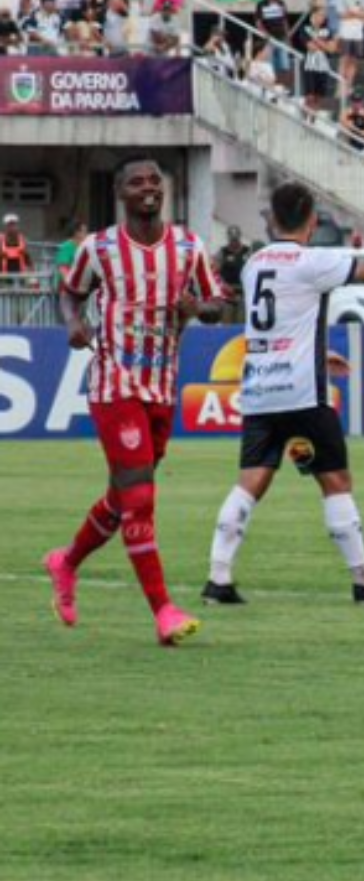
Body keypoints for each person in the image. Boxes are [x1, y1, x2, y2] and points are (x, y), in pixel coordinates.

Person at [201, 186, 364, 607]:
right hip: (303, 392)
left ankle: (218, 577)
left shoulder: (254, 264)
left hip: (260, 389)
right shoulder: (313, 261)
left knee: (250, 482)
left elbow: (276, 324)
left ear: (272, 220)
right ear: (311, 220)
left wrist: (319, 351)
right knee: (335, 480)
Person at [43, 161, 224, 645]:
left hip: (161, 384)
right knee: (140, 497)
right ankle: (163, 610)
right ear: (120, 193)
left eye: (154, 182)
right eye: (136, 182)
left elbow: (215, 304)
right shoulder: (99, 248)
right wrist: (72, 324)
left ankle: (66, 562)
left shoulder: (188, 247)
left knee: (123, 499)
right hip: (114, 381)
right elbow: (69, 293)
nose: (148, 188)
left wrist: (197, 309)